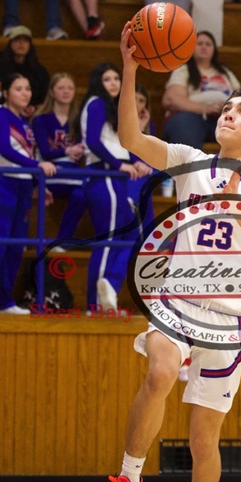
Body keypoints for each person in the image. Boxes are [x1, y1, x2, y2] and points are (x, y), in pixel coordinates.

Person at [84, 22, 241, 482]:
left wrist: (231, 193)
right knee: (159, 372)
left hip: (226, 317)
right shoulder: (189, 159)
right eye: (227, 107)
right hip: (176, 302)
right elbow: (130, 136)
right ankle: (127, 479)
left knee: (203, 441)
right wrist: (131, 70)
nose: (229, 114)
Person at [0, 73, 56, 315]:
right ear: (6, 93)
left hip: (23, 185)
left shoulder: (25, 123)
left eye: (27, 88)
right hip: (0, 181)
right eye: (18, 88)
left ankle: (3, 300)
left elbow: (26, 155)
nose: (25, 93)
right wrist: (38, 166)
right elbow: (5, 150)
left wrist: (39, 185)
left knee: (16, 246)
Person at [78, 61, 153, 310]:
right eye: (107, 79)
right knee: (109, 237)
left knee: (132, 234)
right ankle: (94, 304)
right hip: (104, 175)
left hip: (117, 176)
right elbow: (93, 142)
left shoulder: (113, 107)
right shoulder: (97, 103)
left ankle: (109, 284)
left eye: (116, 79)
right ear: (98, 82)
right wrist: (119, 164)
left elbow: (120, 143)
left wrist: (135, 161)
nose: (113, 83)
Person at [32, 72, 87, 246]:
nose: (66, 91)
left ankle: (62, 242)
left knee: (81, 195)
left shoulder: (80, 121)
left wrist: (80, 150)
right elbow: (45, 152)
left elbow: (84, 151)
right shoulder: (40, 119)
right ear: (52, 91)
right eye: (61, 88)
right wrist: (67, 150)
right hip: (51, 170)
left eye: (70, 88)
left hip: (72, 172)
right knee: (85, 185)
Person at [162, 30, 241, 150]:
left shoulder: (225, 72)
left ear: (214, 49)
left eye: (208, 44)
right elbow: (172, 99)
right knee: (184, 123)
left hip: (222, 118)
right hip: (191, 118)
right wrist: (206, 108)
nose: (204, 47)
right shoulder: (183, 70)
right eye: (199, 44)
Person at [0, 25, 50, 114]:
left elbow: (46, 98)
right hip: (6, 112)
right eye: (17, 39)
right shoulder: (0, 70)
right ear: (10, 43)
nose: (21, 43)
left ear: (30, 45)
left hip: (34, 114)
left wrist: (33, 108)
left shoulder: (40, 71)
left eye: (25, 40)